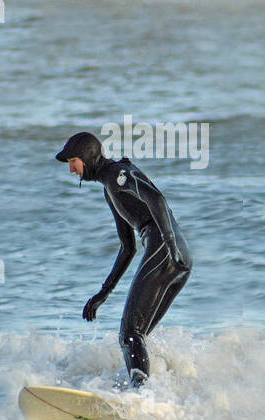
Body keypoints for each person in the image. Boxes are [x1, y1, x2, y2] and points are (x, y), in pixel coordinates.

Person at [56, 132, 193, 387]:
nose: (71, 170)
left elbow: (157, 198)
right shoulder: (110, 189)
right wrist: (103, 292)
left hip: (165, 246)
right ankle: (154, 390)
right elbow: (127, 247)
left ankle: (141, 398)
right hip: (178, 254)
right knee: (137, 336)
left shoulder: (117, 176)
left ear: (87, 157)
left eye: (73, 162)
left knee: (131, 335)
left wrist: (168, 243)